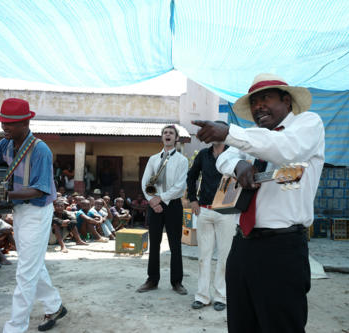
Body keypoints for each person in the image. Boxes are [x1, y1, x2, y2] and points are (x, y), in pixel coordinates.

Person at [193, 73, 325, 333]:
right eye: (254, 102)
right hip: (243, 244)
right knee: (242, 323)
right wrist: (239, 163)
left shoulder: (307, 124)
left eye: (266, 98)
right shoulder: (252, 135)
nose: (258, 107)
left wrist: (230, 133)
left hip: (282, 248)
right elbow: (223, 160)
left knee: (281, 325)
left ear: (287, 101)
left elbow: (286, 150)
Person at [0, 98, 66, 332]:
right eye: (3, 121)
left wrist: (6, 194)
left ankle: (15, 327)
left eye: (10, 123)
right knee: (31, 263)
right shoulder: (5, 144)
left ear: (25, 123)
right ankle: (54, 305)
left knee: (25, 271)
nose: (5, 126)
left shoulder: (41, 150)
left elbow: (40, 189)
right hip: (19, 210)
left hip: (37, 211)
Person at [137, 125, 188, 295]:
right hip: (155, 206)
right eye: (165, 133)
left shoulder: (182, 160)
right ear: (162, 137)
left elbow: (180, 186)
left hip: (173, 205)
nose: (168, 135)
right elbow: (146, 183)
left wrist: (162, 198)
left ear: (176, 138)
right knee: (155, 243)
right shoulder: (153, 159)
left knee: (175, 245)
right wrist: (153, 201)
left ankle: (177, 282)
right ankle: (152, 280)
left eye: (171, 133)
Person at [186, 136, 236, 312]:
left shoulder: (234, 152)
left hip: (227, 210)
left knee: (224, 256)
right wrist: (192, 199)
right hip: (204, 209)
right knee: (203, 256)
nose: (215, 135)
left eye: (219, 132)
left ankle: (221, 297)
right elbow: (191, 176)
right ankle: (202, 296)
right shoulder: (203, 155)